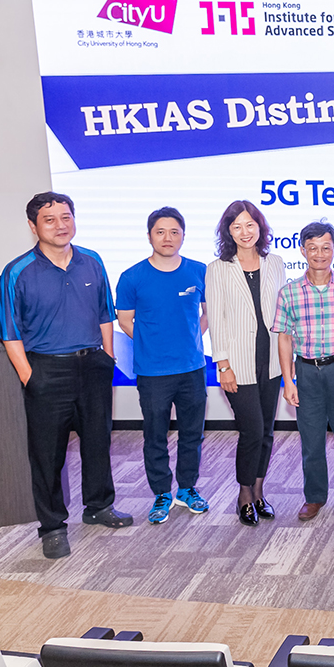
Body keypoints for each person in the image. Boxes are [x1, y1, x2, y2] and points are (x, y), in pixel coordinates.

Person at [0, 192, 133, 559]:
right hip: (46, 369)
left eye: (66, 217)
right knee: (48, 455)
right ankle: (53, 526)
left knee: (97, 442)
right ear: (33, 226)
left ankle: (99, 506)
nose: (60, 225)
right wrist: (30, 377)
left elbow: (105, 313)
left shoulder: (91, 261)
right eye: (50, 219)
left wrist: (107, 358)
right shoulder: (17, 271)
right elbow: (9, 332)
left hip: (93, 367)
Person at [115, 207, 210, 525]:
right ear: (149, 236)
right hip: (153, 372)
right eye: (160, 232)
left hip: (192, 368)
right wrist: (151, 342)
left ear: (183, 235)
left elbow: (208, 313)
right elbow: (126, 320)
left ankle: (186, 488)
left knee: (192, 434)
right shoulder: (132, 277)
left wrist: (192, 337)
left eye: (174, 232)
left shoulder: (198, 271)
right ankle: (161, 493)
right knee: (155, 434)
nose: (167, 238)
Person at [274, 220, 334, 522]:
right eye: (313, 248)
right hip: (306, 371)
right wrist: (288, 380)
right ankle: (314, 497)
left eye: (326, 247)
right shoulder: (289, 292)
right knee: (310, 440)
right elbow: (284, 338)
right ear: (302, 250)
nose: (320, 254)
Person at [207, 200, 285, 527]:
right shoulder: (218, 268)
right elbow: (216, 318)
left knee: (266, 431)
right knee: (251, 429)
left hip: (271, 360)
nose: (244, 232)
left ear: (260, 226)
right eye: (237, 226)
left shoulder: (276, 263)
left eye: (250, 224)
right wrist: (222, 364)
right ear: (228, 231)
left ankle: (259, 491)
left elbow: (282, 314)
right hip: (237, 363)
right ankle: (243, 494)